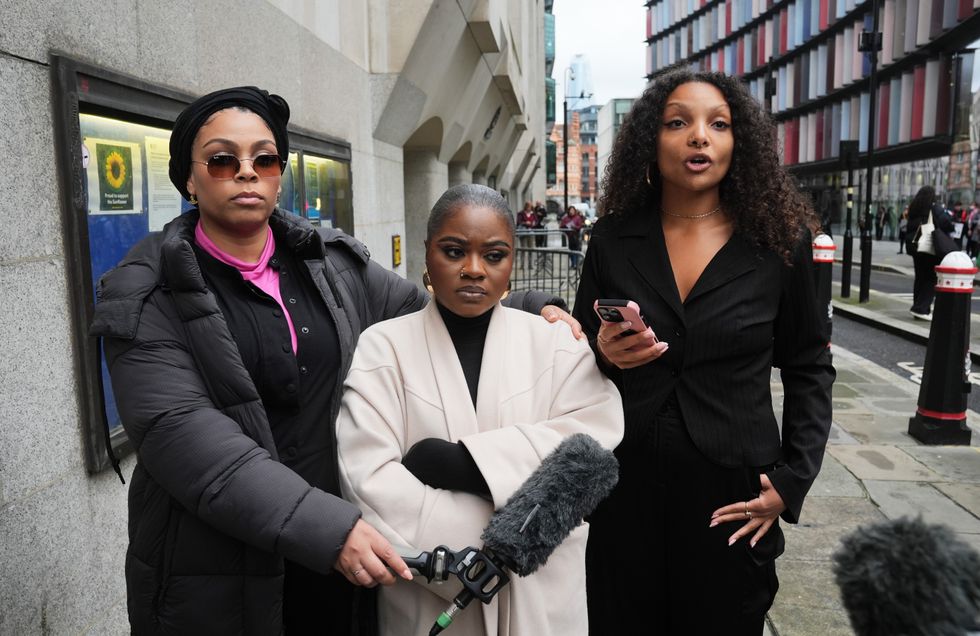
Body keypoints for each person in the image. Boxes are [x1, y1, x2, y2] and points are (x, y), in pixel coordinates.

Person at [89, 87, 580, 635]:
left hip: (338, 561)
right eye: (224, 159)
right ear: (189, 177)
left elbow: (439, 308)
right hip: (218, 568)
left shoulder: (329, 263)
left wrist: (537, 308)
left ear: (279, 174)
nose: (246, 173)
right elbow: (187, 439)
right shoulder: (144, 293)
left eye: (264, 159)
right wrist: (328, 528)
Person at [572, 69, 835, 635]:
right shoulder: (614, 237)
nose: (700, 136)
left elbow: (810, 366)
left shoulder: (780, 244)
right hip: (624, 484)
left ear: (740, 143)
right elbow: (581, 347)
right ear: (651, 140)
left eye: (719, 124)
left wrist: (792, 482)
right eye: (678, 122)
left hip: (731, 493)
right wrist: (605, 350)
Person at [336, 184, 624, 636]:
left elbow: (592, 437)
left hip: (541, 593)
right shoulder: (383, 346)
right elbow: (365, 475)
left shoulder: (555, 344)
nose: (473, 270)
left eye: (493, 255)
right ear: (427, 254)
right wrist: (497, 543)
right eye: (454, 251)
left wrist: (456, 463)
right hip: (430, 588)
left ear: (511, 263)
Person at [906, 185, 954, 320]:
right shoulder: (934, 208)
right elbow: (947, 223)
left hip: (916, 247)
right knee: (931, 278)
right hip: (929, 247)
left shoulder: (914, 208)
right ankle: (921, 308)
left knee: (920, 278)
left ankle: (919, 307)